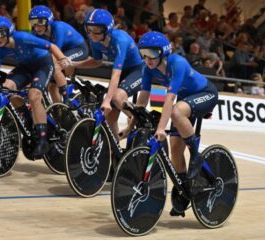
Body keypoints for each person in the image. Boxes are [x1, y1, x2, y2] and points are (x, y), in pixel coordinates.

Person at [122, 31, 218, 216]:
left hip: (205, 92)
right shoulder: (148, 69)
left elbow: (169, 98)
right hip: (185, 98)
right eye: (143, 53)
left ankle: (196, 156)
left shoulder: (177, 63)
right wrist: (129, 126)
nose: (147, 58)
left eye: (152, 53)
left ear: (163, 52)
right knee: (175, 149)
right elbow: (142, 100)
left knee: (175, 111)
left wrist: (160, 128)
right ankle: (184, 189)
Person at [0, 16, 69, 158]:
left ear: (8, 31)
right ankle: (28, 122)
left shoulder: (22, 37)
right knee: (6, 88)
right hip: (26, 67)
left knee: (34, 95)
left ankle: (42, 139)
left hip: (43, 64)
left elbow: (51, 46)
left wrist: (63, 59)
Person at [65, 9, 144, 140]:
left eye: (96, 30)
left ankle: (137, 120)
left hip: (137, 71)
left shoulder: (120, 40)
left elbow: (115, 74)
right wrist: (74, 64)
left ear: (107, 29)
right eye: (88, 29)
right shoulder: (95, 40)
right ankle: (116, 151)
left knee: (117, 97)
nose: (91, 34)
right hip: (122, 72)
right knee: (110, 118)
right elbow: (96, 61)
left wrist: (107, 100)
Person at [29, 5, 89, 103]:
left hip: (79, 49)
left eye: (40, 22)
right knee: (52, 87)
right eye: (33, 23)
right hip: (64, 51)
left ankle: (67, 101)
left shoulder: (58, 27)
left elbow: (56, 53)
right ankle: (59, 112)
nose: (37, 27)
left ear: (48, 21)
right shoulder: (36, 33)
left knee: (55, 65)